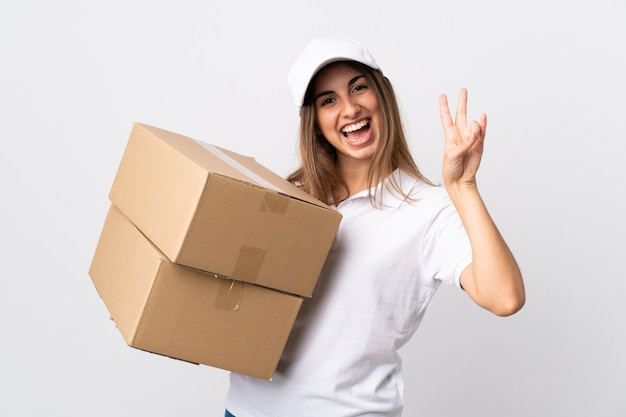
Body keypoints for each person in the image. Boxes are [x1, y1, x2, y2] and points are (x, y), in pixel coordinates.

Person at [224, 36, 525, 417]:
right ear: (314, 123)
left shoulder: (428, 209)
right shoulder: (287, 198)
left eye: (358, 88)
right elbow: (231, 286)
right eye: (328, 100)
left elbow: (505, 298)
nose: (349, 108)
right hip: (248, 410)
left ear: (381, 96)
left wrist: (463, 187)